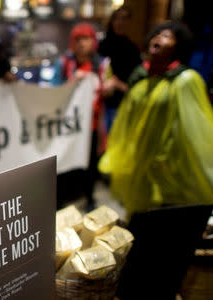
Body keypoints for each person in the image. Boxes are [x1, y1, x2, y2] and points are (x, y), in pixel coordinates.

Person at [99, 21, 213, 218]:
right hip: (141, 167)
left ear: (178, 47)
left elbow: (196, 132)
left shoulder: (185, 80)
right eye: (157, 34)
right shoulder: (141, 78)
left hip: (169, 170)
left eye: (167, 36)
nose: (158, 38)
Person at [52, 22, 109, 211]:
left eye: (86, 38)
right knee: (64, 162)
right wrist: (72, 81)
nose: (82, 43)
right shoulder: (64, 63)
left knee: (90, 165)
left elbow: (103, 95)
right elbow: (54, 91)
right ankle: (60, 199)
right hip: (68, 126)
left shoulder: (101, 65)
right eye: (78, 39)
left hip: (91, 126)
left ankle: (89, 197)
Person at [98, 6, 142, 132]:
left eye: (124, 19)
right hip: (98, 103)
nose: (120, 22)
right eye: (117, 18)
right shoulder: (101, 46)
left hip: (120, 104)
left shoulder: (132, 50)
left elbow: (137, 85)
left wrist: (117, 84)